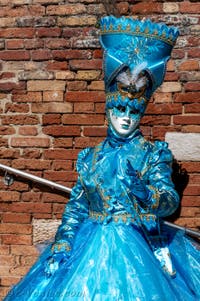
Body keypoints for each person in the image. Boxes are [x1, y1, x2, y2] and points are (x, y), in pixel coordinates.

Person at [4, 16, 200, 301]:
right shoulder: (91, 158)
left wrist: (147, 195)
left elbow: (169, 201)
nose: (125, 118)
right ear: (108, 110)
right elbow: (76, 206)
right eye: (119, 109)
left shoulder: (152, 154)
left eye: (133, 112)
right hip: (89, 246)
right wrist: (62, 245)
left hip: (140, 248)